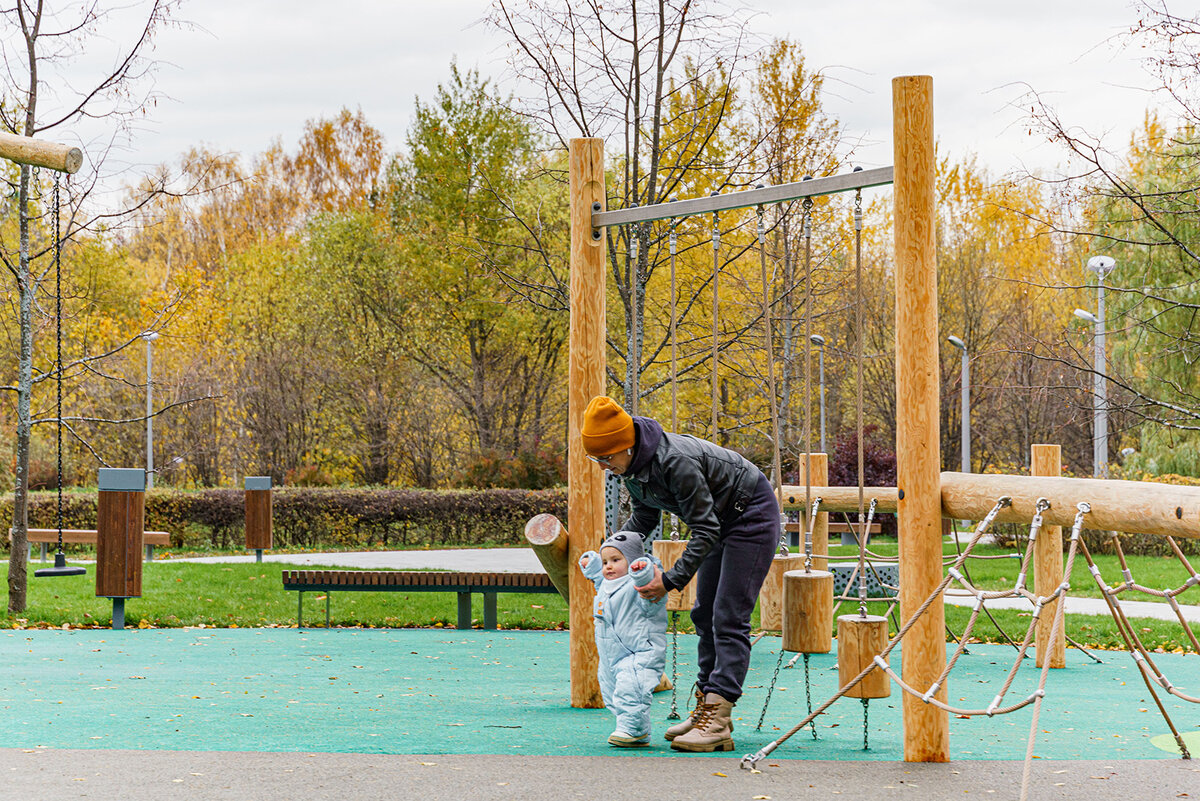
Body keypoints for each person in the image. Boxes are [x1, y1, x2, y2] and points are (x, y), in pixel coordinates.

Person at [580, 395, 779, 753]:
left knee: (729, 615)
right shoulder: (633, 468)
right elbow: (644, 520)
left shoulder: (675, 462)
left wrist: (669, 580)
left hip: (750, 514)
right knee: (704, 614)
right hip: (720, 521)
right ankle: (706, 704)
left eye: (606, 458)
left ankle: (717, 720)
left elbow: (704, 530)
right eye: (596, 459)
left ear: (626, 446)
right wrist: (614, 556)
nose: (603, 467)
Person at [578, 531, 669, 747]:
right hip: (611, 654)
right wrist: (591, 565)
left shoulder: (640, 585)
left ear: (632, 561)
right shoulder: (607, 585)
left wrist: (643, 572)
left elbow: (649, 587)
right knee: (611, 692)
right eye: (605, 562)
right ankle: (629, 726)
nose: (609, 566)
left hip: (640, 650)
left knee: (632, 688)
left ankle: (634, 730)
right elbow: (598, 580)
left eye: (616, 560)